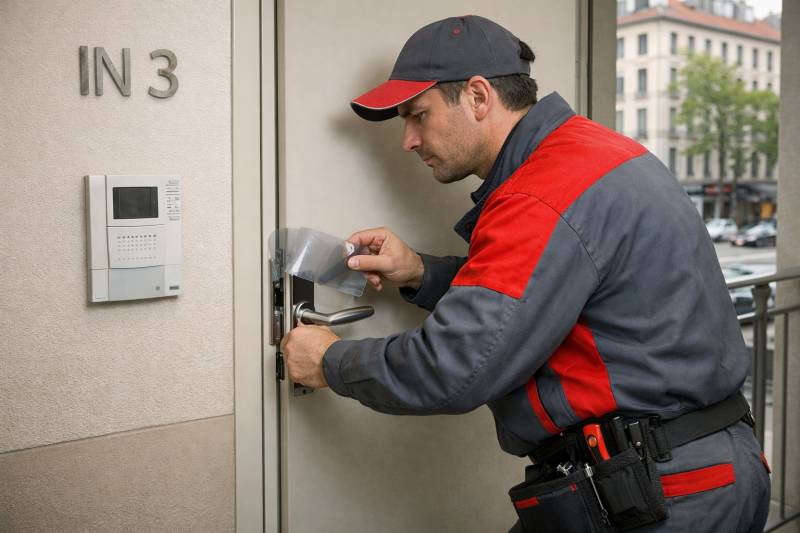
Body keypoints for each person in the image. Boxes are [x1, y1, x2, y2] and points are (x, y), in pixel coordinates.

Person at [281, 14, 770, 532]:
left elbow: (455, 365)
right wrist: (422, 272)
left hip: (666, 490)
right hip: (700, 464)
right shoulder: (591, 153)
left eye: (417, 115)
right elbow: (553, 295)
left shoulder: (539, 193)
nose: (408, 140)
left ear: (477, 96)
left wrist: (330, 360)